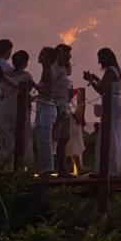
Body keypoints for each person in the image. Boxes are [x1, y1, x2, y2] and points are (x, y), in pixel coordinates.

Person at [83, 48, 121, 178]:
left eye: (100, 58)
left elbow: (102, 90)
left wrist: (90, 81)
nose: (98, 61)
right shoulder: (116, 70)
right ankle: (114, 168)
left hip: (111, 105)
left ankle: (107, 170)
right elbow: (106, 85)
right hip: (116, 104)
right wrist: (95, 78)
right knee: (114, 136)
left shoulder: (110, 70)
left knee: (108, 137)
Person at [1, 49, 34, 163]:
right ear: (25, 63)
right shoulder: (26, 76)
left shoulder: (5, 76)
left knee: (7, 135)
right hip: (19, 108)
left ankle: (7, 161)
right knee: (22, 135)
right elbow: (28, 91)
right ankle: (21, 162)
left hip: (5, 107)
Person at [32, 47, 59, 175]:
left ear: (48, 58)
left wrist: (34, 85)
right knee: (41, 136)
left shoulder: (48, 71)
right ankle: (44, 167)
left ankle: (47, 168)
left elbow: (47, 91)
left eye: (42, 54)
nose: (39, 56)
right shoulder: (46, 70)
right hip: (44, 105)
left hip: (47, 106)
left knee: (44, 137)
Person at [52, 44, 73, 174]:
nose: (70, 56)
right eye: (67, 54)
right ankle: (57, 167)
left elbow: (69, 71)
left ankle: (62, 167)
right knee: (56, 137)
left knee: (65, 137)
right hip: (56, 104)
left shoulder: (63, 68)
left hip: (64, 104)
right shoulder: (54, 68)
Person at [66, 90, 86, 175]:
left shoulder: (68, 105)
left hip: (71, 129)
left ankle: (76, 170)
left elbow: (79, 118)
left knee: (72, 150)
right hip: (73, 128)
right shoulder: (72, 105)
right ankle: (74, 170)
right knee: (72, 151)